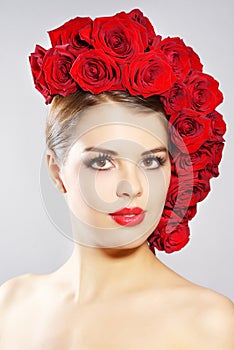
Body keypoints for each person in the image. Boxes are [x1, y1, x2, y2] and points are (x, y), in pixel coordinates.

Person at [0, 9, 233, 349]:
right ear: (56, 172)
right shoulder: (11, 306)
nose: (133, 186)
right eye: (104, 161)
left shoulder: (212, 325)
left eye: (152, 160)